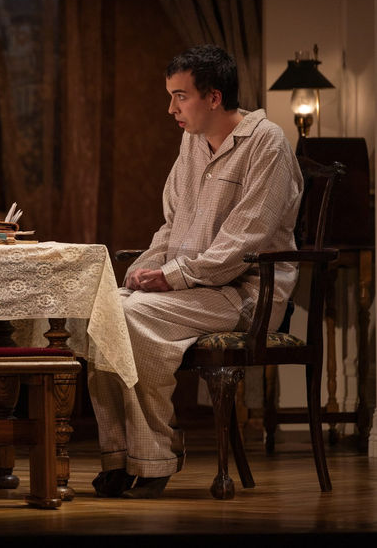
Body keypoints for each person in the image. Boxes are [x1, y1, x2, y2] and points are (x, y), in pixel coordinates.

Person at [89, 44, 303, 499]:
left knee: (130, 318)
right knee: (103, 315)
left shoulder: (267, 144)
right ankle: (120, 455)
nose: (171, 108)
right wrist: (145, 268)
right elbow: (174, 224)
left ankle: (154, 457)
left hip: (245, 293)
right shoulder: (191, 142)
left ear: (214, 97)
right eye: (171, 96)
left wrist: (170, 277)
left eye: (180, 96)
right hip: (193, 289)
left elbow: (243, 243)